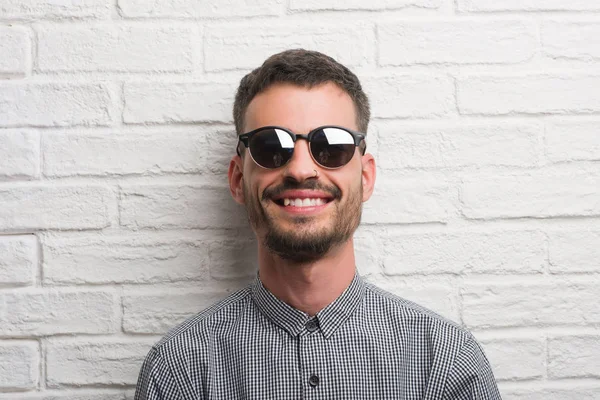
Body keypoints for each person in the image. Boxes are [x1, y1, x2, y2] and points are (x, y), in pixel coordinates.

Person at [134, 49, 501, 399]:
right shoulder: (180, 370)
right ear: (237, 180)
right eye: (271, 147)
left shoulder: (445, 361)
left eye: (331, 147)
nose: (300, 169)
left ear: (366, 177)